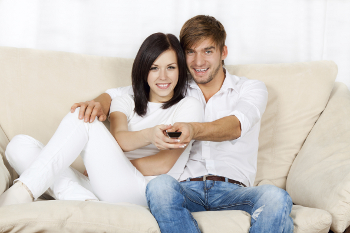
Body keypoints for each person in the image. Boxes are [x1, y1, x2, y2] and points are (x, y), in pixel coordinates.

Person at [73, 15, 294, 233]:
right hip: (184, 188)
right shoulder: (175, 86)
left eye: (208, 51)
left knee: (276, 196)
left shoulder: (250, 89)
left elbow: (235, 126)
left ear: (223, 52)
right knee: (159, 187)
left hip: (234, 189)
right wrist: (99, 102)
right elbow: (123, 92)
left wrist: (193, 129)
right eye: (191, 52)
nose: (198, 62)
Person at [0, 33, 203, 207]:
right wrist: (149, 135)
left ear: (180, 70)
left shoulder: (189, 105)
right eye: (154, 68)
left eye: (171, 67)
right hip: (104, 185)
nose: (163, 76)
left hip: (143, 190)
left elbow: (164, 164)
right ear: (143, 70)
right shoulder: (124, 100)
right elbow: (120, 139)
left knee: (81, 118)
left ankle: (19, 194)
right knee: (17, 146)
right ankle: (85, 202)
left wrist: (102, 168)